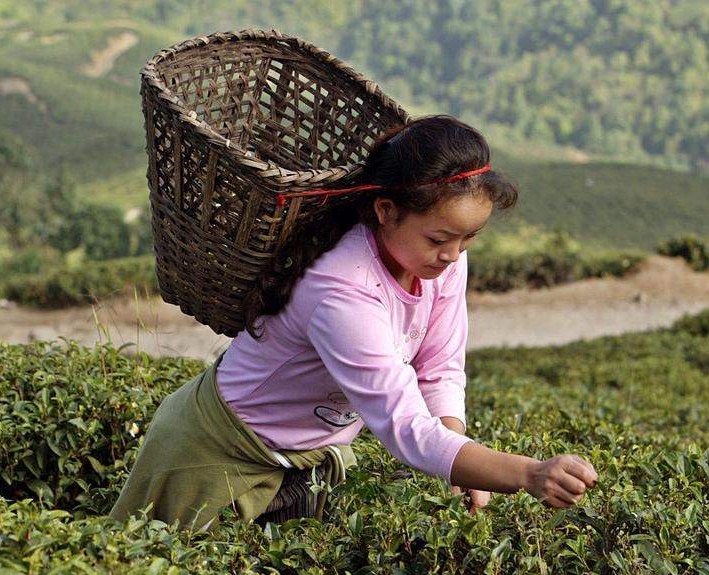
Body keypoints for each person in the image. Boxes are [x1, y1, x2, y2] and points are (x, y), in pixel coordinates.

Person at [111, 115, 598, 528]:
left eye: (469, 238)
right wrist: (527, 473)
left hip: (311, 456)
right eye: (440, 239)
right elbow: (404, 427)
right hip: (217, 447)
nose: (452, 255)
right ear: (386, 211)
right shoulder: (343, 290)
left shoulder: (439, 261)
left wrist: (460, 460)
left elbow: (439, 367)